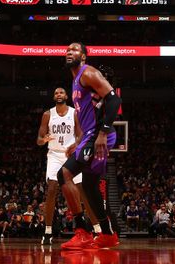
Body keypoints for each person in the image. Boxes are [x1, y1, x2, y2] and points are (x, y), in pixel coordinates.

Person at [58, 42, 122, 250]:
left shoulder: (88, 73)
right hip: (90, 136)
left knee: (64, 175)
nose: (69, 52)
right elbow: (87, 114)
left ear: (84, 57)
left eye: (75, 50)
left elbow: (113, 100)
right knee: (89, 186)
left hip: (99, 135)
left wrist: (102, 133)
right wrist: (78, 142)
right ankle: (107, 234)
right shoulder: (75, 79)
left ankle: (82, 231)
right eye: (67, 50)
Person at [36, 87, 100, 244]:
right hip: (54, 155)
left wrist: (76, 145)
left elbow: (81, 134)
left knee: (82, 191)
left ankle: (97, 228)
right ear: (53, 97)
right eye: (56, 93)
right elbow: (39, 139)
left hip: (71, 155)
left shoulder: (74, 113)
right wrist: (43, 140)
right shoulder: (47, 115)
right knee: (51, 189)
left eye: (61, 92)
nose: (59, 94)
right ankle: (48, 231)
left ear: (66, 96)